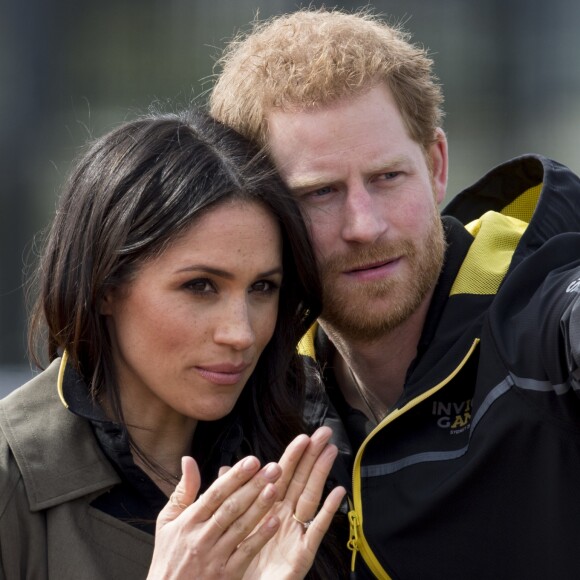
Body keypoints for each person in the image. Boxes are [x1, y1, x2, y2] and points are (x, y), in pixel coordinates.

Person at [210, 8, 580, 579]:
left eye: (388, 178)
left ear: (435, 166)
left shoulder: (542, 313)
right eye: (320, 193)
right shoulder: (247, 384)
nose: (365, 225)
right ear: (261, 211)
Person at [0, 108, 347, 579]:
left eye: (262, 288)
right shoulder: (12, 482)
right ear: (104, 286)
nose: (241, 332)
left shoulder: (308, 460)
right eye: (200, 286)